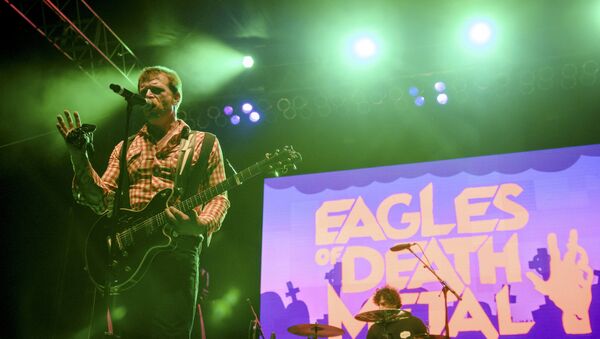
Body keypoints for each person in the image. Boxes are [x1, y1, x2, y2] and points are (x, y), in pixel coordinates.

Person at [56, 65, 230, 338]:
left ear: (176, 97)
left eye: (156, 90)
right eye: (143, 91)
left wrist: (199, 225)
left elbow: (219, 195)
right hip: (131, 256)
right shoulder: (126, 147)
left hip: (178, 250)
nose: (147, 95)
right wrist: (79, 156)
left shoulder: (203, 143)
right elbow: (101, 201)